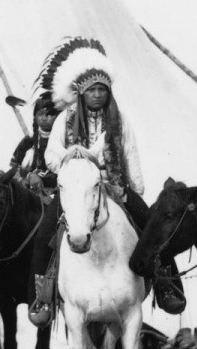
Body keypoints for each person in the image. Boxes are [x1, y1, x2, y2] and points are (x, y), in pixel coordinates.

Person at [35, 36, 185, 314]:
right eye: (92, 90)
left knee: (150, 225)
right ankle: (43, 297)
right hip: (76, 187)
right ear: (81, 92)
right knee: (44, 230)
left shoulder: (119, 120)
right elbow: (51, 155)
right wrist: (69, 160)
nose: (98, 95)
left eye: (102, 90)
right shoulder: (65, 119)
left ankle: (166, 285)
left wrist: (135, 188)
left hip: (113, 184)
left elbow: (130, 152)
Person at [9, 100, 59, 185]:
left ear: (57, 116)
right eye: (40, 114)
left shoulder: (62, 141)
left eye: (49, 114)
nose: (44, 118)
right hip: (32, 189)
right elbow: (14, 167)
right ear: (35, 117)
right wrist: (26, 178)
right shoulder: (28, 141)